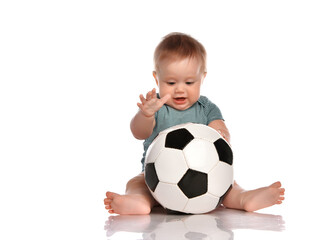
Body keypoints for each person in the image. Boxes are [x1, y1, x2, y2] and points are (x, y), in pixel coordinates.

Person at [104, 32, 285, 215]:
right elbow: (139, 132)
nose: (180, 89)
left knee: (229, 186)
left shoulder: (206, 108)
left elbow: (220, 130)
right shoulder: (156, 107)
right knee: (137, 183)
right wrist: (145, 114)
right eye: (171, 82)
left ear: (202, 78)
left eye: (189, 82)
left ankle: (245, 198)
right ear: (156, 78)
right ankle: (137, 201)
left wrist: (221, 134)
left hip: (206, 176)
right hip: (154, 179)